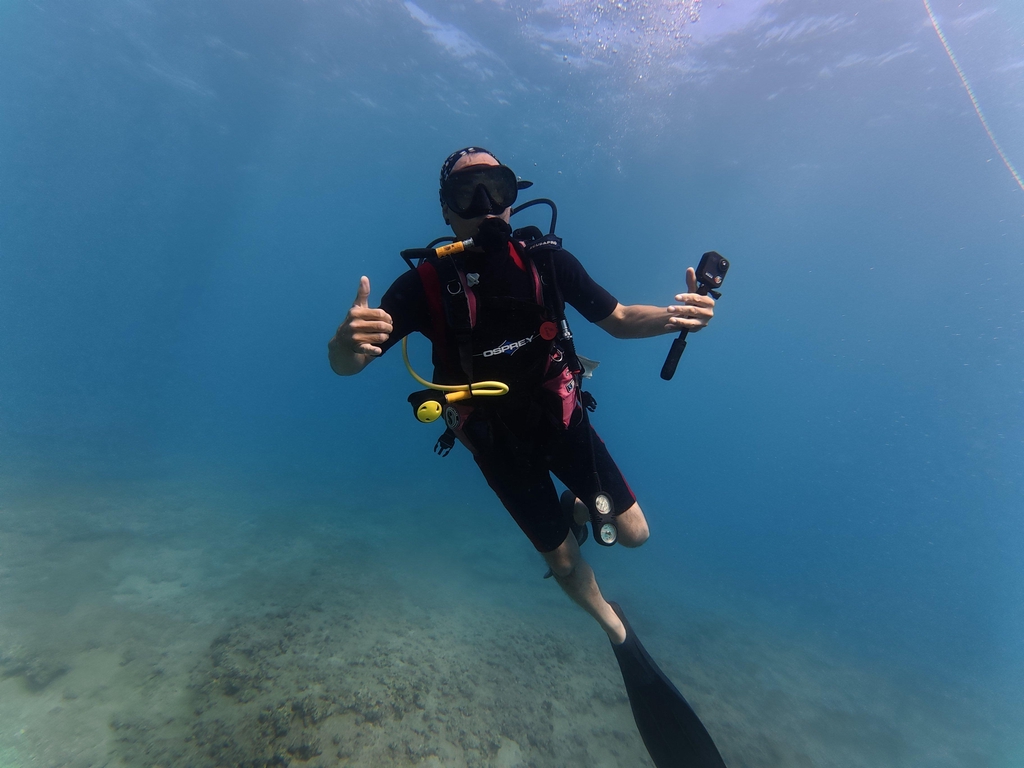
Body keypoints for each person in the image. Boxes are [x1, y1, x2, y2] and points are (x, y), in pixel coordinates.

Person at [328, 147, 715, 646]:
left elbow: (619, 319)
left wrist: (676, 316)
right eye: (467, 194)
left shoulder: (547, 261)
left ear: (513, 198)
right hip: (496, 440)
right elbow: (351, 364)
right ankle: (616, 630)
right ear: (446, 210)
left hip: (561, 418)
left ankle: (578, 507)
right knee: (564, 560)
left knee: (636, 534)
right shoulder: (423, 285)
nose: (486, 205)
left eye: (497, 188)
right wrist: (343, 344)